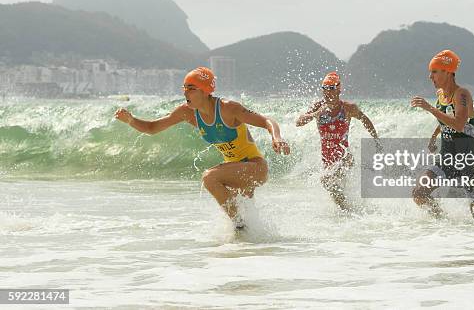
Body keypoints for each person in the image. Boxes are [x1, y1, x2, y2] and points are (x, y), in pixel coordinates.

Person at [114, 67, 290, 229]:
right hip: (234, 172)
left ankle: (239, 227)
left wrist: (277, 137)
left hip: (255, 168)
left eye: (191, 88)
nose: (185, 92)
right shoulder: (187, 112)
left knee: (210, 178)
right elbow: (152, 128)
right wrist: (130, 120)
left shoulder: (228, 108)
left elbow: (267, 121)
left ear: (206, 91)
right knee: (247, 228)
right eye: (184, 87)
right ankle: (248, 235)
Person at [410, 50, 474, 225]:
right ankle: (446, 225)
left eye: (434, 71)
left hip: (468, 162)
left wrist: (430, 108)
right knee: (419, 193)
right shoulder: (441, 95)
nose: (430, 76)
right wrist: (434, 136)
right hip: (446, 159)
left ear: (447, 72)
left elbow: (459, 124)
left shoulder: (461, 94)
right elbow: (445, 118)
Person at [296, 71, 382, 210]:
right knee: (337, 192)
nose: (327, 92)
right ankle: (350, 214)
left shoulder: (348, 108)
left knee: (326, 181)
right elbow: (299, 122)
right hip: (327, 160)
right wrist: (315, 114)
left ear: (339, 89)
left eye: (331, 88)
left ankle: (349, 212)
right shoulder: (318, 106)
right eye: (324, 88)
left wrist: (376, 140)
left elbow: (365, 120)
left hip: (345, 157)